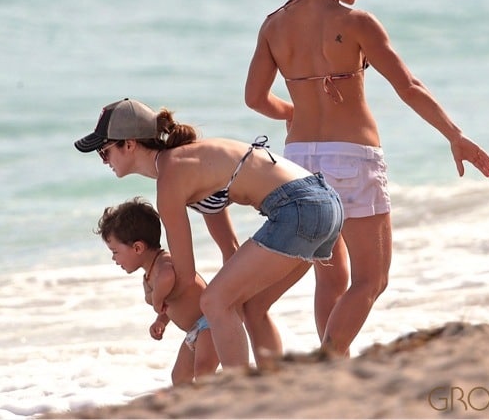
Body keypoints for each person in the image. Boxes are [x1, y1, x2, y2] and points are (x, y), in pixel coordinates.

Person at [244, 0, 489, 356]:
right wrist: (455, 135)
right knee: (371, 280)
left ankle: (332, 361)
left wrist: (295, 111)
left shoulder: (274, 25)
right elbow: (408, 86)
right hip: (352, 158)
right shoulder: (356, 22)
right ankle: (330, 358)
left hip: (298, 159)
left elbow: (254, 98)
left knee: (331, 275)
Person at [75, 98, 343, 368]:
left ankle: (238, 391)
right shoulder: (186, 162)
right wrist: (225, 307)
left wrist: (157, 297)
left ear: (129, 144)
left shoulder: (170, 179)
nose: (103, 161)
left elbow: (185, 274)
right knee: (250, 306)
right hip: (324, 203)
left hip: (299, 208)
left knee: (215, 301)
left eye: (104, 151)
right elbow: (230, 248)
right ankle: (272, 385)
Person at [95, 197, 220, 385]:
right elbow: (172, 303)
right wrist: (161, 320)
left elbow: (168, 277)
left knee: (203, 371)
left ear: (137, 247)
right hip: (194, 330)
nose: (114, 258)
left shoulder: (164, 262)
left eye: (115, 252)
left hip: (210, 323)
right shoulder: (149, 274)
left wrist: (156, 299)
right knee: (179, 378)